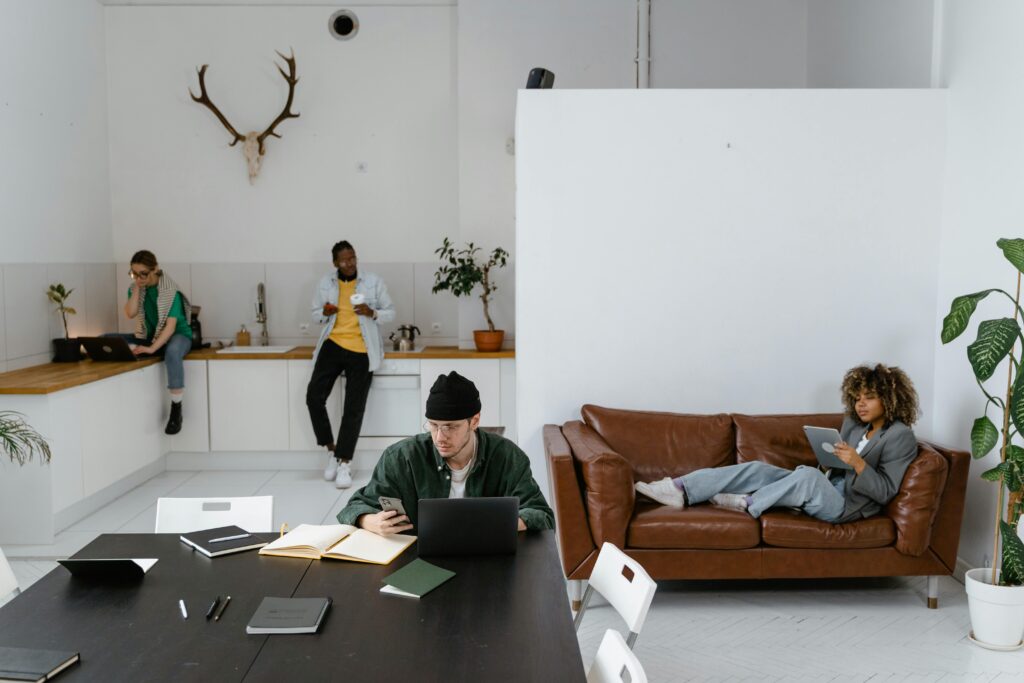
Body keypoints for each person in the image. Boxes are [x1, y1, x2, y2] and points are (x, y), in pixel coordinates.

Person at [635, 363, 920, 523]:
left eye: (868, 397)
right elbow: (836, 469)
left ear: (889, 399)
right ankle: (681, 489)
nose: (860, 404)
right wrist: (831, 458)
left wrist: (857, 464)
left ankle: (749, 503)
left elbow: (885, 492)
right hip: (827, 486)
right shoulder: (854, 425)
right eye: (857, 397)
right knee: (759, 469)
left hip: (845, 506)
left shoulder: (900, 436)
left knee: (805, 476)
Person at [337, 371, 554, 534]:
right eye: (433, 425)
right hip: (420, 562)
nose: (440, 437)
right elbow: (355, 506)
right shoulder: (401, 458)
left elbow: (542, 515)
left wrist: (500, 525)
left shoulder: (507, 457)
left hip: (486, 561)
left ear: (474, 421)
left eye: (450, 427)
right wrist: (368, 520)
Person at [307, 240, 395, 489]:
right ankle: (331, 449)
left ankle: (345, 462)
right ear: (335, 263)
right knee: (314, 397)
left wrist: (372, 312)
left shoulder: (373, 281)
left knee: (353, 408)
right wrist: (325, 311)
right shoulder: (326, 283)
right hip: (333, 344)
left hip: (362, 349)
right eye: (344, 260)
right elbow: (315, 315)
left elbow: (390, 311)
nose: (350, 263)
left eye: (353, 258)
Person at [112, 250, 193, 435]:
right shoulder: (136, 289)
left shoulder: (170, 291)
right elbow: (130, 313)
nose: (139, 278)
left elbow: (171, 327)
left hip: (178, 335)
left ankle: (176, 409)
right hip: (151, 336)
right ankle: (147, 349)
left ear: (155, 269)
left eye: (143, 274)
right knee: (106, 339)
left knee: (172, 352)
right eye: (134, 273)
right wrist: (138, 288)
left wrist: (152, 349)